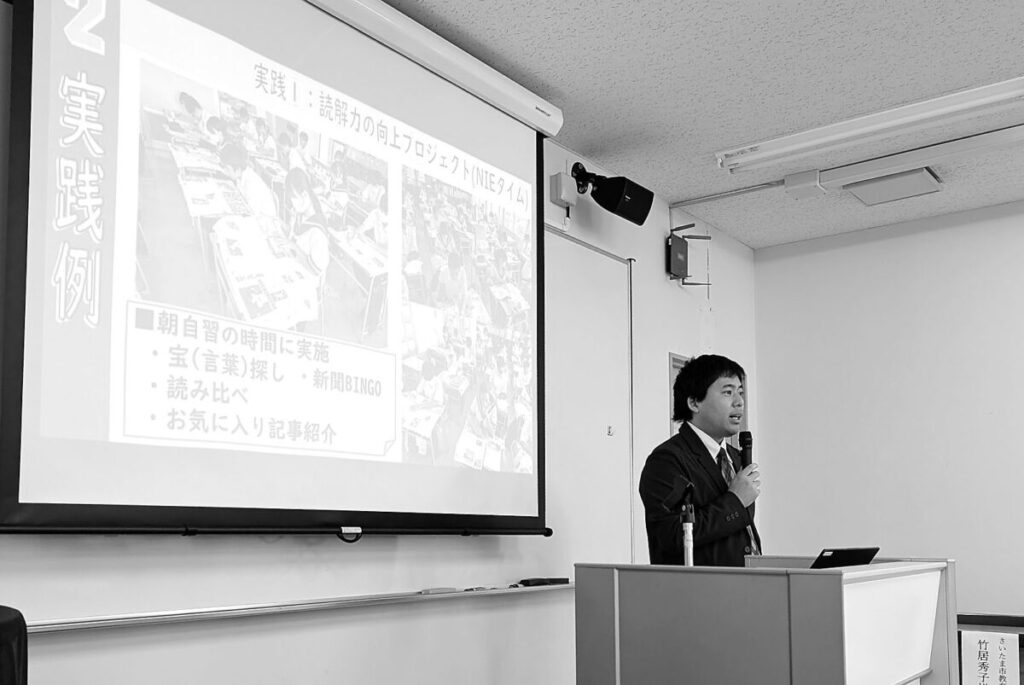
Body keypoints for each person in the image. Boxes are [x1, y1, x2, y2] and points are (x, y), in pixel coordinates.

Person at [638, 354, 762, 566]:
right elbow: (671, 536)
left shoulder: (735, 457)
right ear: (694, 402)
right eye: (728, 392)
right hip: (701, 585)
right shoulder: (667, 460)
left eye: (740, 392)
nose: (739, 402)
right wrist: (735, 501)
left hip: (748, 580)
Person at [219, 143, 277, 218]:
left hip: (263, 220)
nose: (224, 172)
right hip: (251, 213)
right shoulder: (241, 175)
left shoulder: (251, 185)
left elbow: (251, 216)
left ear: (238, 169)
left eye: (227, 169)